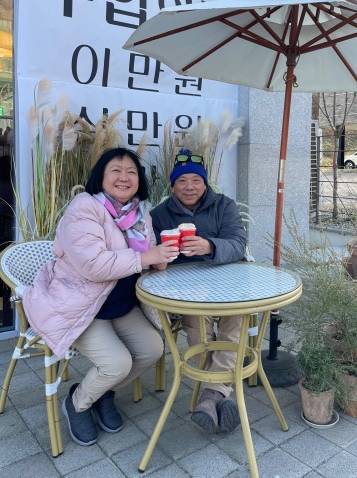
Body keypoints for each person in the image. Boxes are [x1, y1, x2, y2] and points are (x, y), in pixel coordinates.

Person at [23, 147, 179, 447]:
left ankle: (101, 393)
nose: (124, 177)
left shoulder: (140, 213)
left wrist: (158, 261)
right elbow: (93, 265)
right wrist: (146, 257)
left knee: (152, 349)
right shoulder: (85, 208)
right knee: (117, 364)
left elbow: (147, 254)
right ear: (101, 177)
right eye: (115, 171)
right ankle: (78, 402)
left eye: (131, 172)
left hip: (121, 305)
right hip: (82, 306)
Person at [150, 149, 247, 435]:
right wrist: (160, 259)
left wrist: (209, 246)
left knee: (234, 319)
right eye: (182, 181)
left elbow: (238, 243)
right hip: (187, 289)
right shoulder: (159, 215)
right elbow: (152, 255)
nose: (189, 187)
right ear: (172, 186)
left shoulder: (224, 206)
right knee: (198, 324)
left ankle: (210, 395)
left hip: (228, 281)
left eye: (196, 180)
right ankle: (219, 393)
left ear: (205, 184)